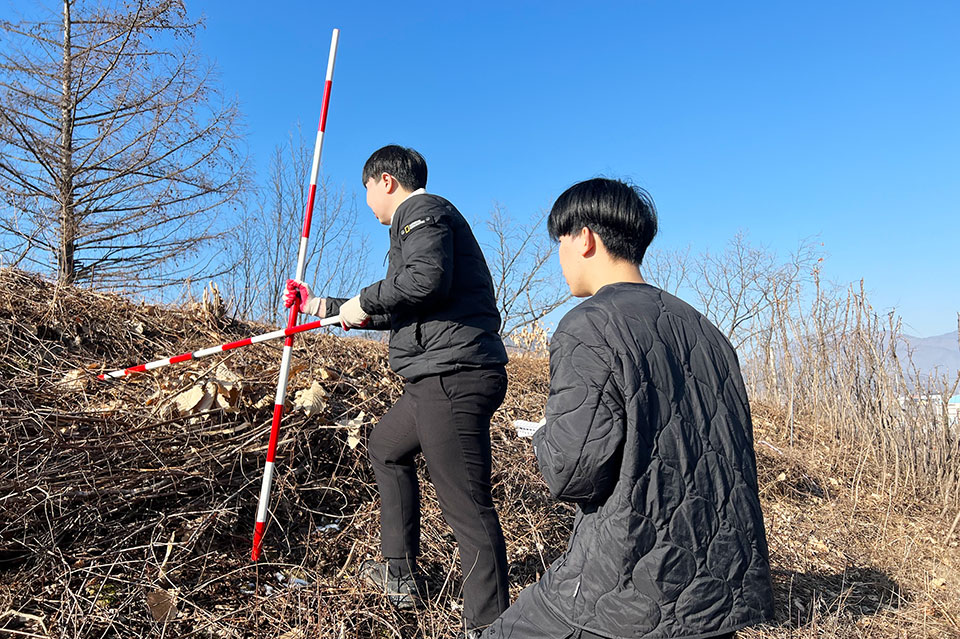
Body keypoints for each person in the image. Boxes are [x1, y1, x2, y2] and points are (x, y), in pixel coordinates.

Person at [482, 178, 774, 639]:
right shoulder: (710, 332)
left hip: (626, 591)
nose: (558, 257)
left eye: (560, 241)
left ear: (585, 238)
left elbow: (571, 472)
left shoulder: (589, 324)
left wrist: (544, 433)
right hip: (720, 588)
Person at [285, 145, 511, 636]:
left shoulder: (422, 212)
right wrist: (323, 305)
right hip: (434, 375)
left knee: (466, 503)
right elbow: (400, 301)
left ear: (385, 181)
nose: (366, 200)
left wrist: (365, 298)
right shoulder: (416, 225)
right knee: (386, 448)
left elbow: (424, 281)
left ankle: (489, 625)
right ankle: (400, 573)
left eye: (366, 188)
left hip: (452, 374)